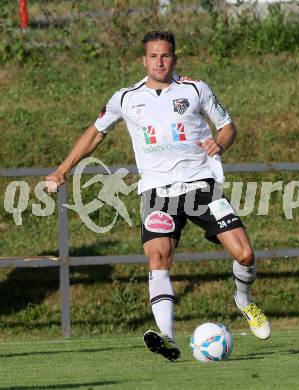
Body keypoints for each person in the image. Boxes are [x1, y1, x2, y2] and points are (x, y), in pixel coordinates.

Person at [46, 30, 270, 362]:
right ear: (144, 60)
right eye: (153, 56)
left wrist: (219, 143)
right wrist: (63, 169)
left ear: (174, 59)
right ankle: (167, 337)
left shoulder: (196, 89)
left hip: (201, 186)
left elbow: (227, 126)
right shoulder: (126, 97)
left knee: (245, 254)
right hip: (157, 193)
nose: (160, 61)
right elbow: (96, 132)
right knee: (158, 258)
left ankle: (243, 300)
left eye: (165, 56)